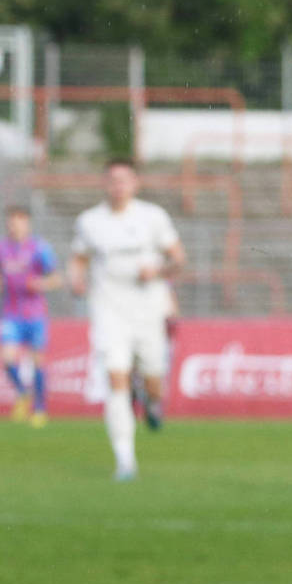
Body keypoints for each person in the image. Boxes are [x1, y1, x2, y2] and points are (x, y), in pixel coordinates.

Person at [67, 158, 185, 480]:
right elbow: (78, 258)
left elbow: (178, 259)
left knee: (154, 380)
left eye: (124, 180)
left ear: (135, 183)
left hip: (148, 309)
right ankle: (125, 459)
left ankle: (150, 401)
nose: (118, 186)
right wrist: (75, 279)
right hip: (108, 310)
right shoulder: (90, 221)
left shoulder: (152, 217)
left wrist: (158, 270)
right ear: (104, 183)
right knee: (114, 378)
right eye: (112, 180)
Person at [0, 205, 62, 427]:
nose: (14, 225)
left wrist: (41, 283)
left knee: (38, 361)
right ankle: (22, 392)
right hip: (10, 312)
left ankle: (40, 409)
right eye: (11, 221)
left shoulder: (39, 248)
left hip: (35, 313)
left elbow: (57, 278)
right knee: (7, 358)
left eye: (19, 220)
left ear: (27, 223)